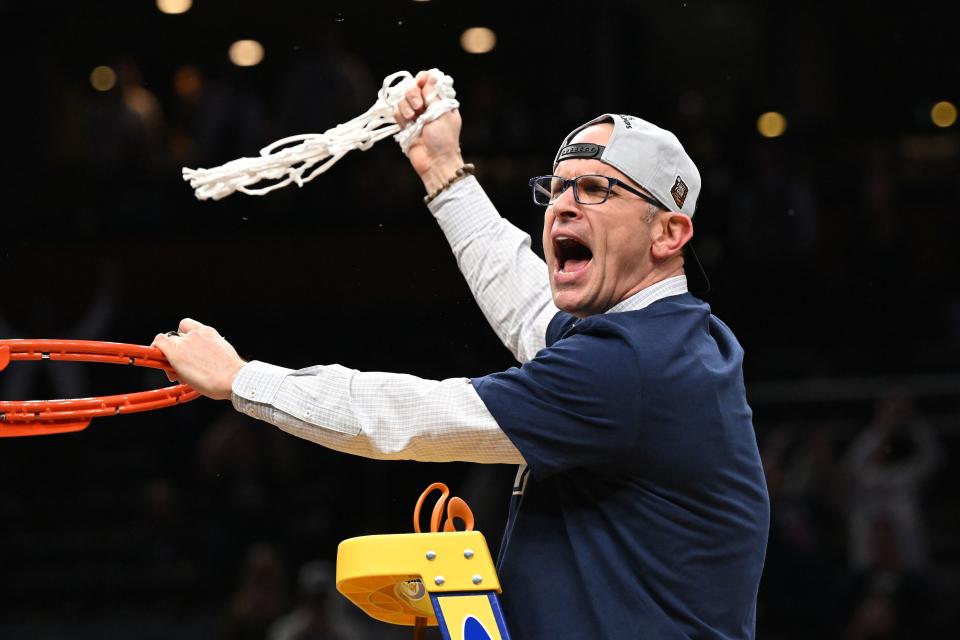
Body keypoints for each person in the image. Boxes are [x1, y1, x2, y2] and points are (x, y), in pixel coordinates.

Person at [154, 71, 770, 639]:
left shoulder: (629, 367)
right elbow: (531, 308)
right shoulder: (663, 342)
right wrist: (441, 166)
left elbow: (412, 418)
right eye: (555, 189)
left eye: (595, 189)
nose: (563, 205)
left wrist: (241, 380)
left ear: (668, 233)